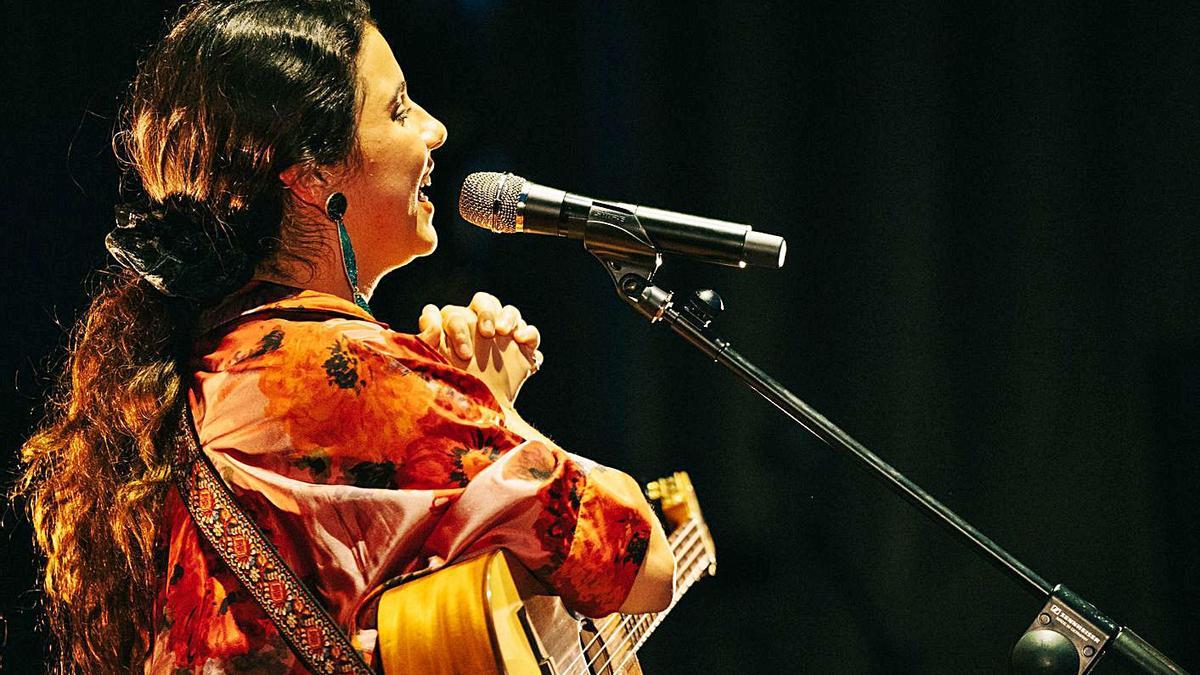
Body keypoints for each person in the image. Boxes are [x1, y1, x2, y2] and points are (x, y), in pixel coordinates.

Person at [14, 1, 675, 672]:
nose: (436, 130)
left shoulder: (207, 363)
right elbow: (638, 560)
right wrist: (490, 408)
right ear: (312, 177)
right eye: (398, 110)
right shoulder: (345, 376)